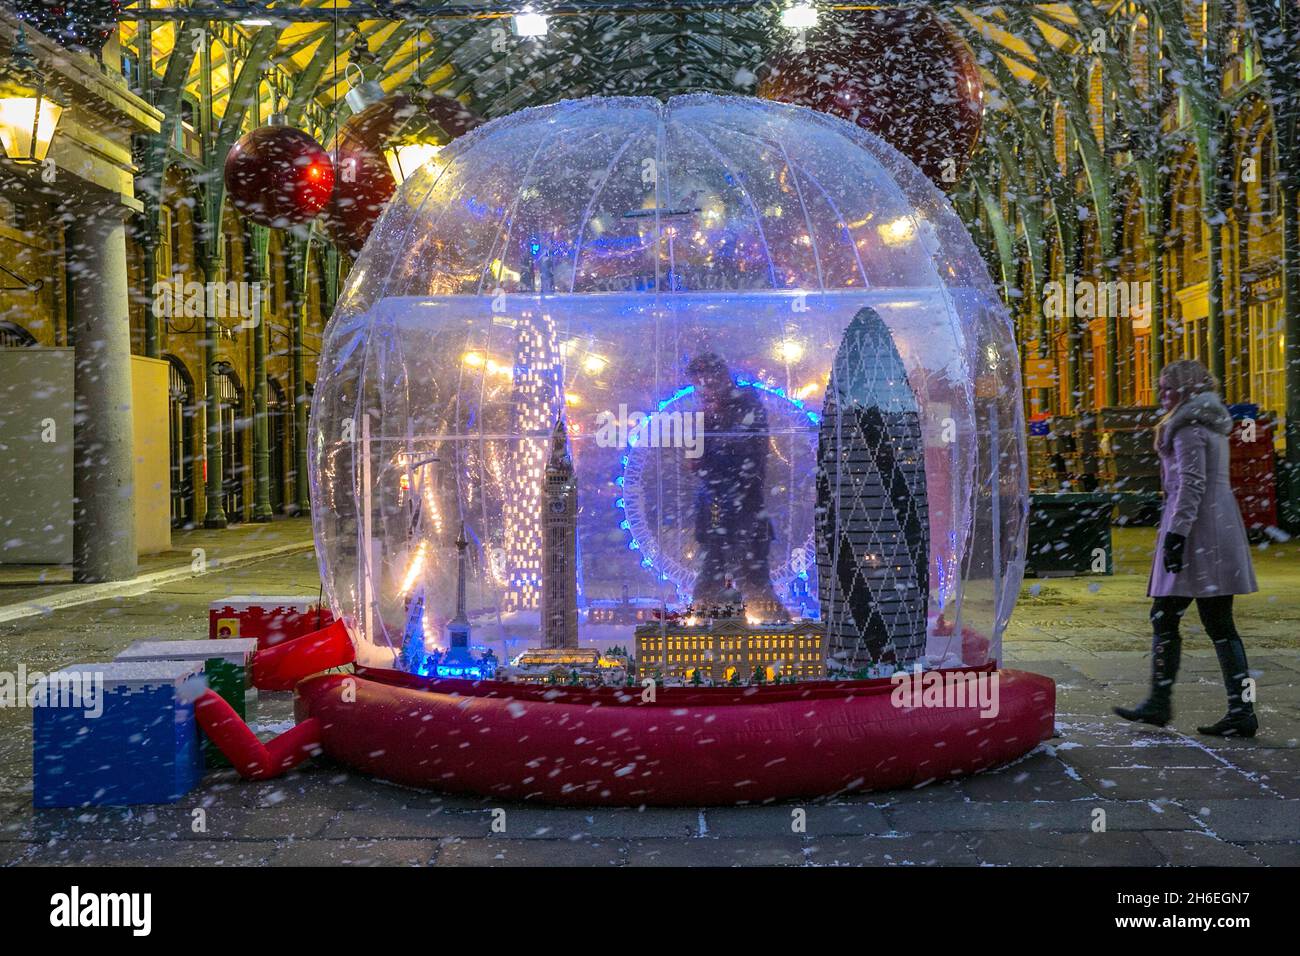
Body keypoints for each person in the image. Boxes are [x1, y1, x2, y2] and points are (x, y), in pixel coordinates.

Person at [1115, 359, 1259, 737]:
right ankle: (1240, 708)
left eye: (1167, 388)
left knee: (1168, 616)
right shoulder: (1210, 423)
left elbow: (1190, 486)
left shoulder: (1188, 429)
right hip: (1217, 527)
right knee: (1217, 623)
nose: (1162, 395)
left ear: (1186, 390)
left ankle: (1161, 702)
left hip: (1198, 534)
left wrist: (1176, 536)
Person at [686, 353, 787, 618]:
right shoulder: (710, 414)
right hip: (725, 512)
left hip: (737, 510)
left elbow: (746, 457)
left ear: (721, 377)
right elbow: (697, 462)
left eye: (707, 381)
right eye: (700, 383)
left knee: (748, 581)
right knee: (729, 579)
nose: (703, 389)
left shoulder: (744, 407)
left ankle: (772, 634)